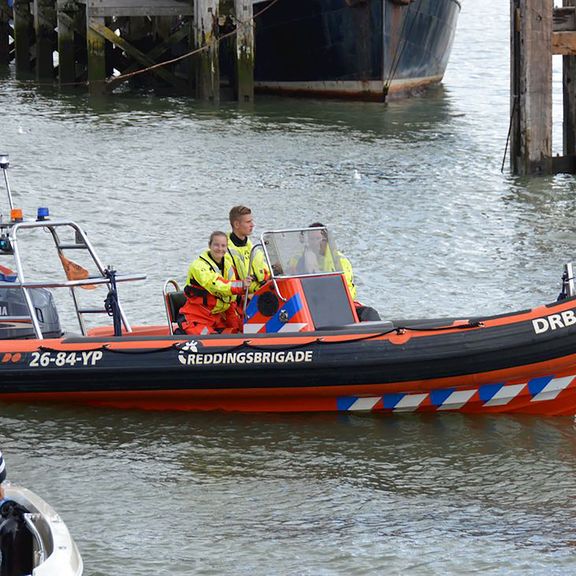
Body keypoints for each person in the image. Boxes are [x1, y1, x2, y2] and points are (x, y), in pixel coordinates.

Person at [306, 223, 381, 322]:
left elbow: (343, 289)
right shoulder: (301, 257)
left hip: (339, 304)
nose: (315, 243)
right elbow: (288, 269)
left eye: (318, 239)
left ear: (326, 240)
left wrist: (314, 271)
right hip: (309, 304)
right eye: (312, 239)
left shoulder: (339, 261)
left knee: (369, 313)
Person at [179, 231, 251, 335]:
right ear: (210, 246)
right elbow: (216, 285)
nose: (220, 249)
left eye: (223, 246)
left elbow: (230, 300)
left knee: (238, 332)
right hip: (195, 319)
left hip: (216, 318)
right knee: (211, 339)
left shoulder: (228, 265)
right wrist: (242, 285)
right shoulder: (198, 266)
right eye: (216, 245)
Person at [227, 206, 269, 294]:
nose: (252, 225)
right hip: (242, 297)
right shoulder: (225, 251)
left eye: (251, 221)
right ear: (236, 224)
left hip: (260, 291)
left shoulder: (251, 247)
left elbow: (265, 271)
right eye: (248, 222)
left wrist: (276, 270)